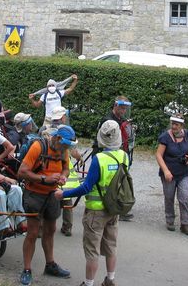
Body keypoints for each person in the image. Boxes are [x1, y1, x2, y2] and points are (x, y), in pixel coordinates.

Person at [55, 120, 127, 286]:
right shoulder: (124, 156)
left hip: (96, 211)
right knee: (111, 247)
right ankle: (110, 280)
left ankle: (88, 283)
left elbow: (86, 187)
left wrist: (63, 194)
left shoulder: (99, 159)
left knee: (92, 250)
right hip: (114, 208)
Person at [17, 125, 76, 285]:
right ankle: (27, 269)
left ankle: (50, 265)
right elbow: (21, 172)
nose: (65, 149)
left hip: (52, 195)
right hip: (34, 194)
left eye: (68, 147)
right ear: (57, 138)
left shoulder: (63, 149)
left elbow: (66, 169)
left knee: (50, 230)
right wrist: (44, 179)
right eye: (64, 145)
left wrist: (63, 177)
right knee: (33, 232)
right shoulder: (38, 147)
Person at [39, 106, 83, 237]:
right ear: (63, 117)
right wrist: (80, 158)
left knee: (45, 200)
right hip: (65, 176)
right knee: (67, 201)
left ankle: (41, 228)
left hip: (49, 171)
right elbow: (73, 151)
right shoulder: (67, 132)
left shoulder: (44, 129)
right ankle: (67, 227)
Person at [155, 114, 188, 236]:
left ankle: (185, 224)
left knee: (184, 197)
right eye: (172, 123)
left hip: (184, 172)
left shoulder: (187, 134)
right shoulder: (165, 137)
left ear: (182, 126)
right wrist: (166, 171)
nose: (173, 126)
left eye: (176, 124)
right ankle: (170, 220)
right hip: (169, 173)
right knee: (169, 197)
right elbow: (158, 155)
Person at [93, 96, 135, 221]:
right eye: (122, 108)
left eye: (125, 108)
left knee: (119, 181)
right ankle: (110, 208)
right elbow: (102, 140)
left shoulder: (121, 120)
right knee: (109, 182)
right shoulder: (107, 120)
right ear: (115, 105)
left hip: (118, 155)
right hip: (106, 155)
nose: (123, 111)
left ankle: (118, 207)